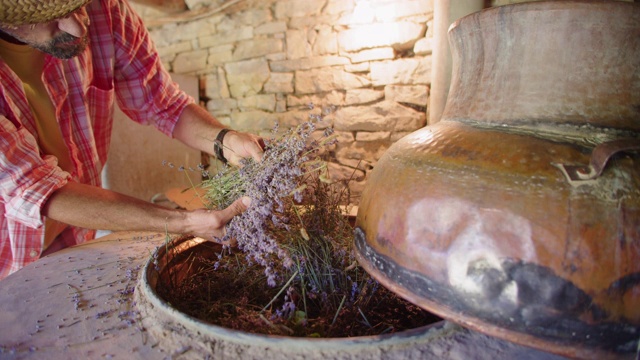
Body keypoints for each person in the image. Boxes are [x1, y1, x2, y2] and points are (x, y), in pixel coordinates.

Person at [0, 0, 264, 280]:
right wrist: (185, 222)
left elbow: (163, 101)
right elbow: (33, 187)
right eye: (53, 18)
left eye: (77, 7)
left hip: (77, 237)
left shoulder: (105, 10)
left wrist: (226, 141)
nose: (78, 27)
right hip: (9, 255)